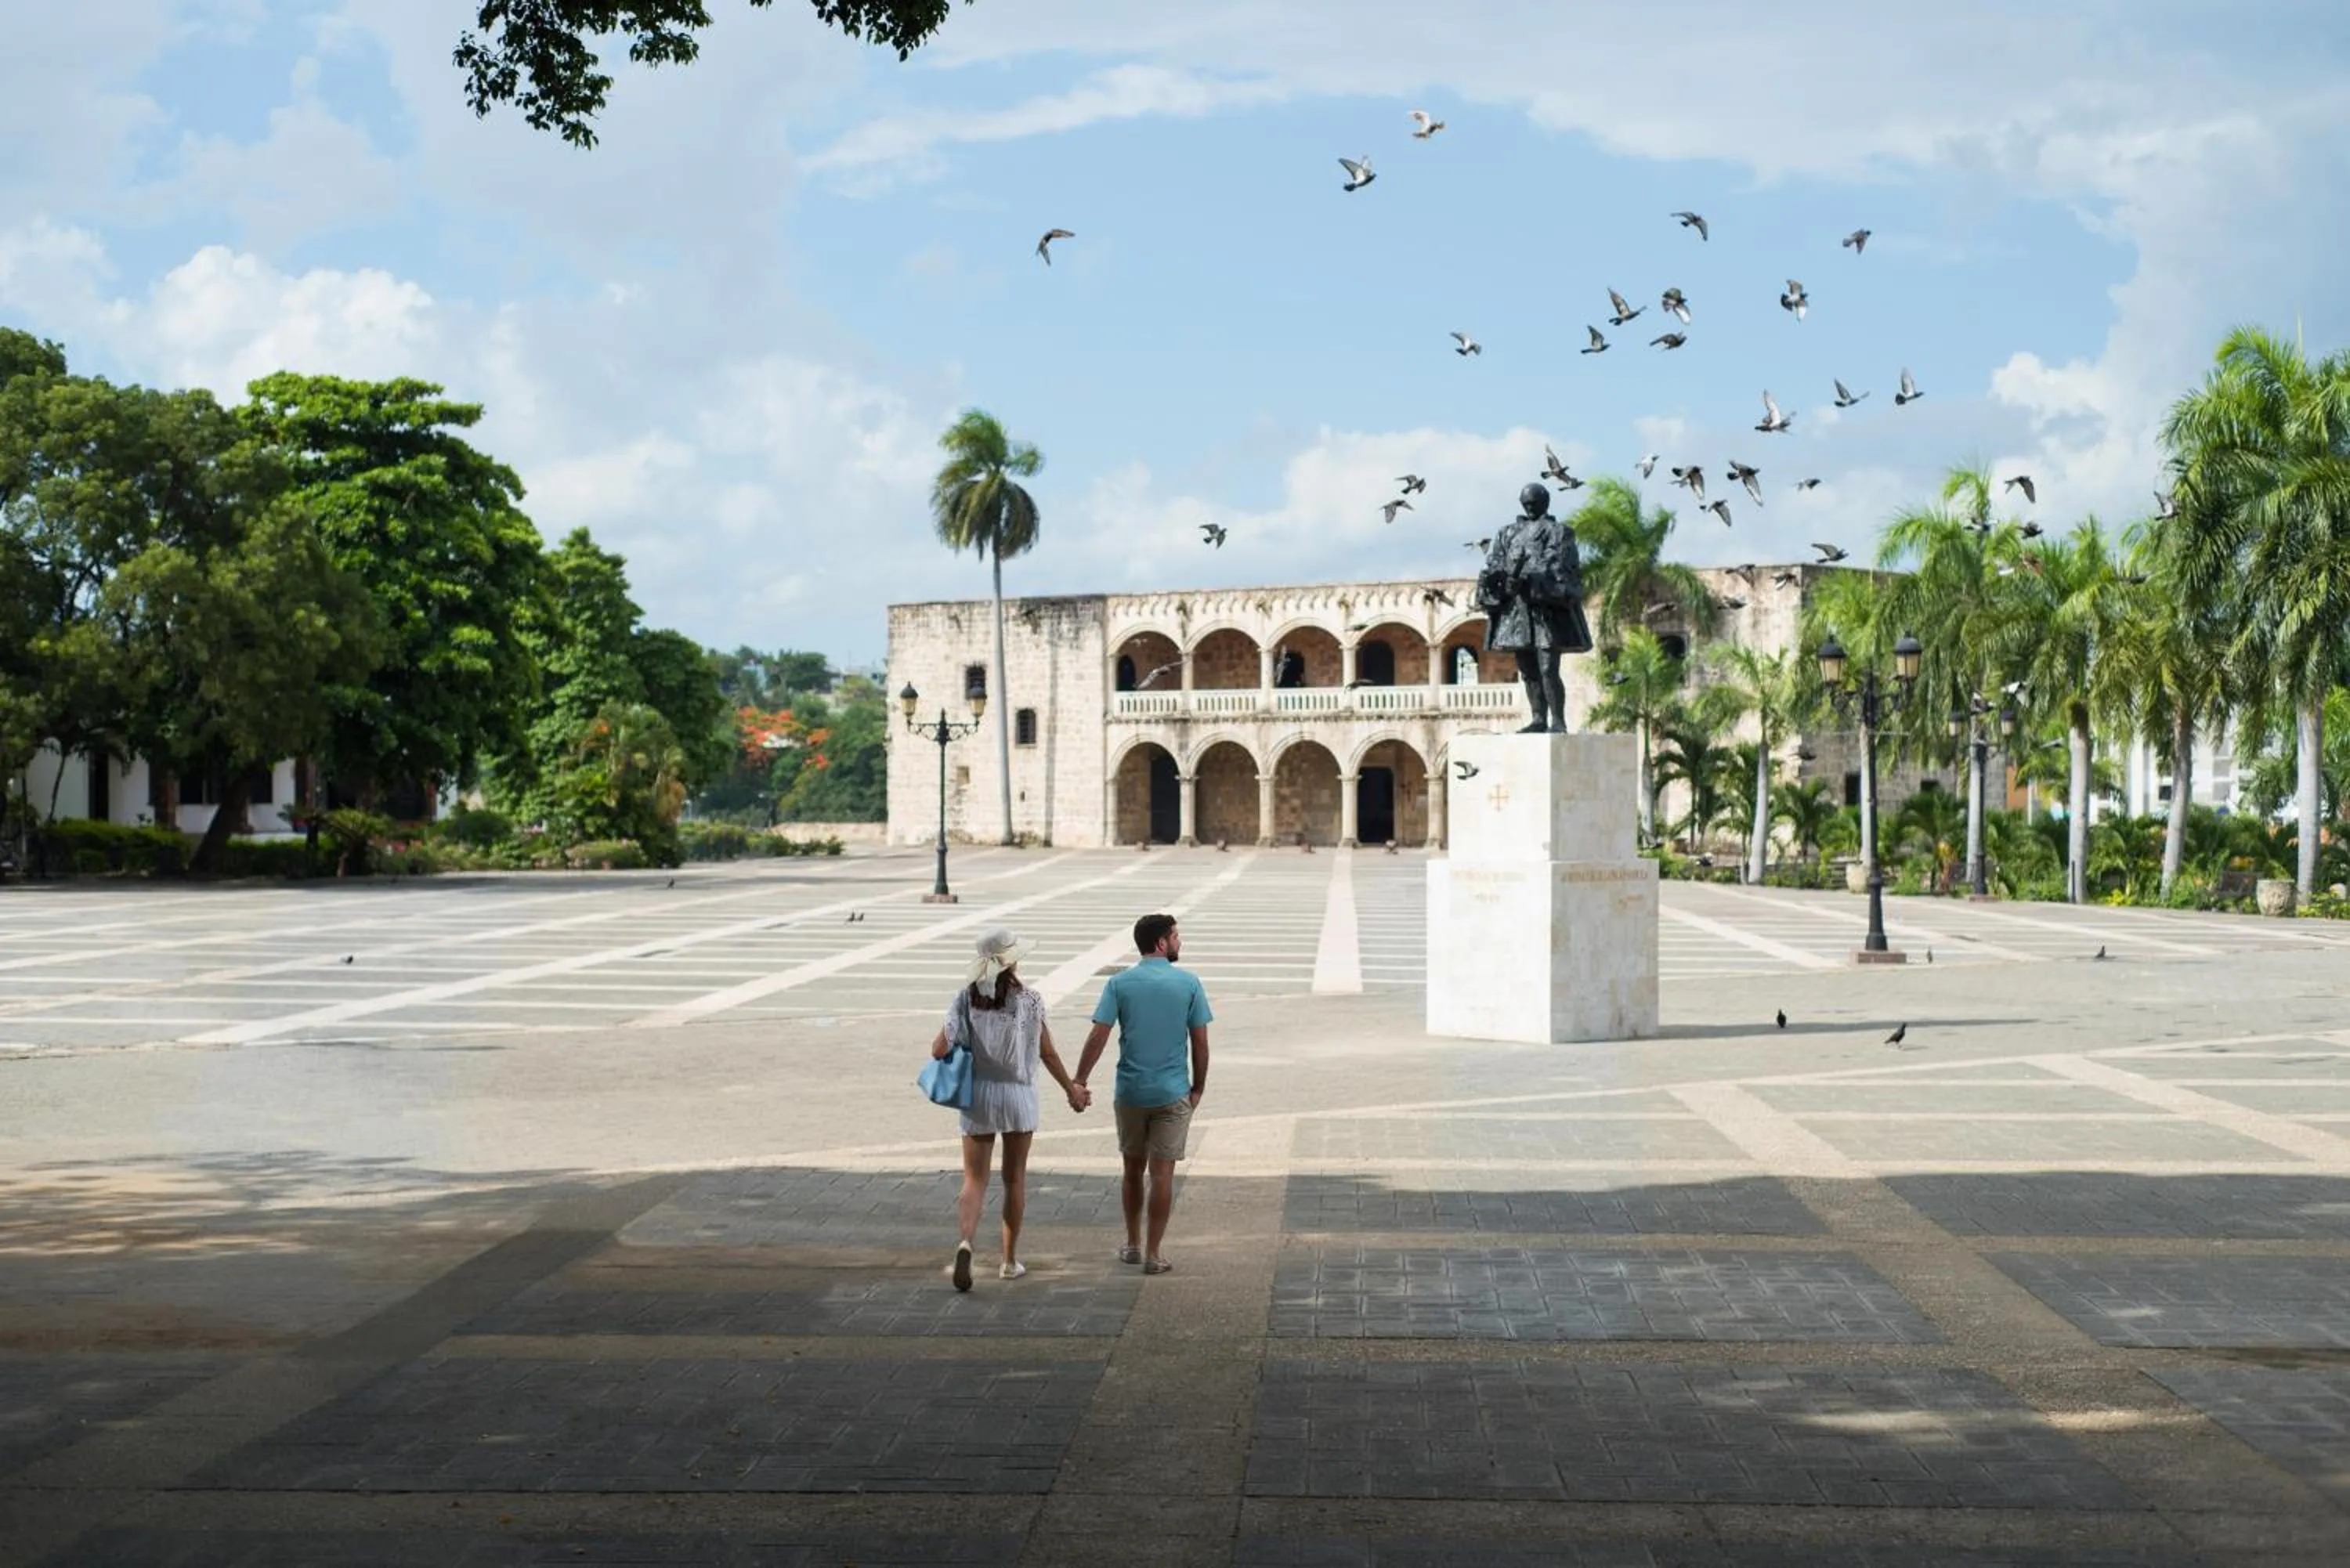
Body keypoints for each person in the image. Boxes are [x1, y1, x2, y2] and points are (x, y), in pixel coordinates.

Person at [929, 926, 1089, 1292]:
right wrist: (1072, 1090)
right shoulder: (1029, 1000)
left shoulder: (965, 999)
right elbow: (1047, 1052)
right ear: (1012, 960)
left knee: (974, 1179)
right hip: (1019, 1095)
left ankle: (966, 1242)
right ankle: (1008, 1260)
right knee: (1014, 1179)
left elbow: (938, 1049)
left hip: (979, 1094)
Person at [1073, 912, 1212, 1276]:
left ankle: (1132, 1244)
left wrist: (1080, 1079)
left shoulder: (1119, 985)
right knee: (1162, 1175)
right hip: (1173, 1092)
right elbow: (1200, 1041)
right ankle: (1154, 1253)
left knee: (1132, 1170)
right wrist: (1198, 1087)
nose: (1180, 943)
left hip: (1131, 1091)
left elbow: (1098, 1036)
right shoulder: (1189, 984)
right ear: (1161, 944)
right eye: (1176, 937)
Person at [1477, 480, 1593, 732]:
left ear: (1545, 503)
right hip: (1517, 611)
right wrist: (1500, 581)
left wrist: (1534, 581)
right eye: (1526, 504)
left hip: (1545, 610)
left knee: (1548, 667)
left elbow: (1563, 567)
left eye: (1534, 504)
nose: (1530, 508)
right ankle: (1538, 718)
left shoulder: (1560, 532)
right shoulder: (1506, 533)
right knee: (1527, 669)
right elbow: (1494, 563)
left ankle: (1558, 720)